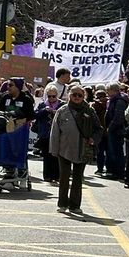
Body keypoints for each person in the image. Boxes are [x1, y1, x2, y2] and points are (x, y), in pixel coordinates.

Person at [48, 84, 95, 214]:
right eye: (74, 94)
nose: (77, 97)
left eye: (80, 95)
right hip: (64, 149)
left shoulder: (89, 110)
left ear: (84, 96)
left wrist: (93, 139)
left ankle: (75, 205)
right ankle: (62, 204)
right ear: (69, 95)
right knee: (64, 177)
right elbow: (55, 131)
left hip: (82, 149)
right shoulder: (62, 111)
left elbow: (98, 128)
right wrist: (54, 149)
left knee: (78, 178)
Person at [33, 83, 65, 183]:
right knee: (46, 156)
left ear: (57, 95)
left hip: (58, 134)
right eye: (49, 96)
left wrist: (56, 113)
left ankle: (57, 175)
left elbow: (66, 117)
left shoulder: (62, 105)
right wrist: (44, 110)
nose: (51, 98)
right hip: (45, 134)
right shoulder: (42, 104)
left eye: (53, 96)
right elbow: (35, 115)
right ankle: (47, 176)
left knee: (57, 155)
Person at [104, 82, 129, 178]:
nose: (107, 93)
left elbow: (118, 117)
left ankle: (118, 172)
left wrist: (110, 127)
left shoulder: (119, 101)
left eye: (108, 91)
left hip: (117, 130)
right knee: (113, 150)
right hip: (114, 129)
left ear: (113, 90)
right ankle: (113, 171)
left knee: (116, 151)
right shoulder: (115, 100)